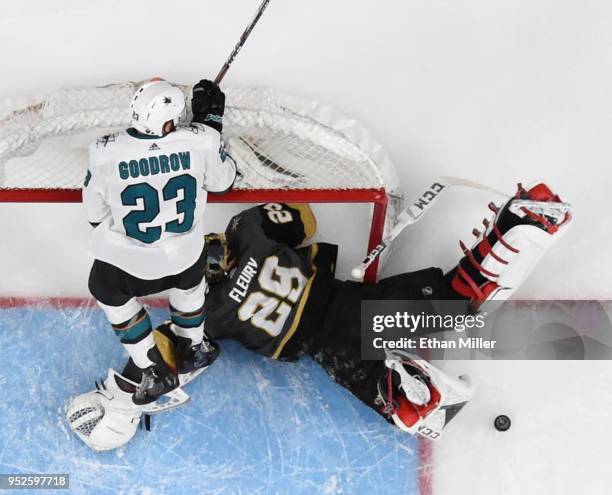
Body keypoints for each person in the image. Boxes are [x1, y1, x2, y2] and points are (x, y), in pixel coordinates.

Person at [193, 182, 572, 437]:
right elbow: (304, 218)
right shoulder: (245, 231)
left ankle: (413, 395)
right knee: (453, 299)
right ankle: (515, 229)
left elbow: (195, 353)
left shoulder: (205, 312)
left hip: (321, 346)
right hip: (349, 306)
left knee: (376, 387)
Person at [82, 77, 236, 405]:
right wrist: (210, 123)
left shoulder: (104, 150)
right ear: (170, 122)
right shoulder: (202, 140)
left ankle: (152, 369)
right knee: (191, 286)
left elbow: (93, 213)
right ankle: (193, 348)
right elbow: (224, 181)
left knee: (105, 289)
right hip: (184, 257)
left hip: (129, 266)